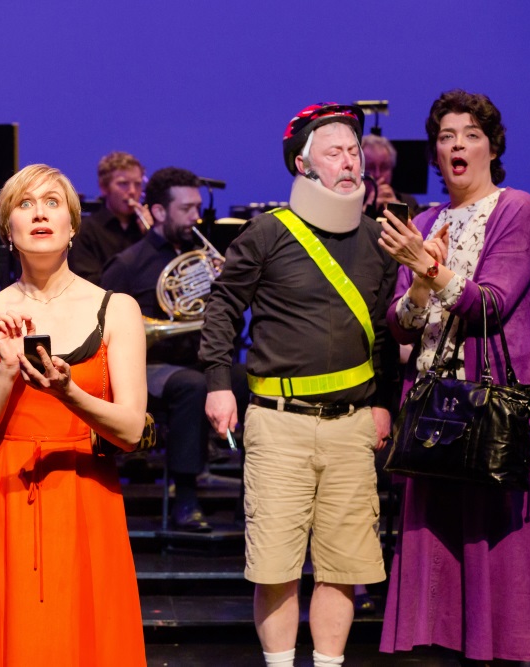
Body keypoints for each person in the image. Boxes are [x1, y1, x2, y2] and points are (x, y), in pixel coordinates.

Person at [199, 103, 398, 667]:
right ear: (303, 165)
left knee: (345, 566)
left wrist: (383, 403)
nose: (349, 161)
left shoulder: (379, 240)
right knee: (276, 566)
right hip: (278, 422)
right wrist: (218, 381)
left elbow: (383, 332)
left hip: (352, 425)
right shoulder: (268, 233)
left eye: (354, 151)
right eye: (334, 151)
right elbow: (223, 306)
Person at [377, 90, 530, 665]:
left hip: (502, 410)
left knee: (503, 562)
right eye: (446, 136)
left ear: (491, 147)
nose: (457, 144)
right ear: (436, 153)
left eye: (471, 135)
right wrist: (419, 283)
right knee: (439, 571)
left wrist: (428, 265)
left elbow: (491, 305)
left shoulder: (518, 210)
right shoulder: (427, 221)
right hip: (437, 413)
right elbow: (401, 326)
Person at [0, 164, 148, 665]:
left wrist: (68, 392)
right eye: (25, 204)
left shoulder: (116, 309)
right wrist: (7, 370)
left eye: (53, 203)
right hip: (5, 499)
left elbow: (129, 430)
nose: (40, 213)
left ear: (73, 225)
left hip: (86, 497)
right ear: (7, 229)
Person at [101, 166, 213, 532]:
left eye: (198, 207)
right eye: (186, 208)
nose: (196, 216)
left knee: (258, 379)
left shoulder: (206, 258)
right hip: (150, 366)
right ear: (160, 212)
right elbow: (103, 325)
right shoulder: (129, 264)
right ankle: (186, 499)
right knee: (192, 387)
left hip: (201, 358)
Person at [69, 151, 152, 284]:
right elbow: (87, 282)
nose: (132, 191)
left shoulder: (147, 229)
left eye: (137, 184)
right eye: (123, 184)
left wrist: (151, 236)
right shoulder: (86, 230)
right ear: (104, 188)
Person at [362, 134, 421, 219]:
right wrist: (367, 208)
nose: (377, 174)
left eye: (384, 167)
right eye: (370, 167)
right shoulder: (350, 203)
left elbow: (418, 231)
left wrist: (399, 212)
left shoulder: (409, 202)